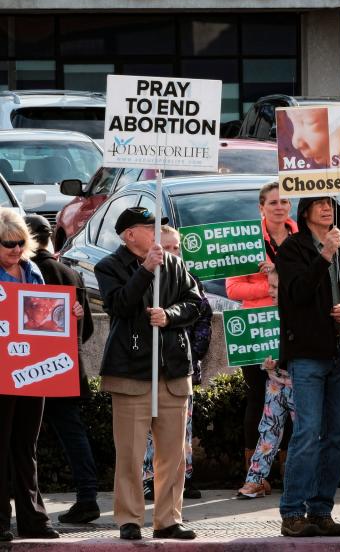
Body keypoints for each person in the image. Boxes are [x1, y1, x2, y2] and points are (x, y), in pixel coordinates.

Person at [94, 207, 202, 541]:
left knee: (173, 452)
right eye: (148, 227)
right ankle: (129, 518)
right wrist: (145, 270)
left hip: (172, 368)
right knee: (130, 451)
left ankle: (168, 519)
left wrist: (169, 315)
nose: (157, 232)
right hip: (131, 370)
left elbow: (195, 303)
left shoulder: (175, 263)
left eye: (159, 226)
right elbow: (120, 306)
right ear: (129, 234)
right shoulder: (108, 266)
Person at [275, 196, 340, 537]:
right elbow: (296, 294)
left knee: (337, 436)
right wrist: (324, 254)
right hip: (308, 355)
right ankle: (293, 512)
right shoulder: (292, 250)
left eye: (331, 202)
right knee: (308, 433)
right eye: (320, 203)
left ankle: (321, 509)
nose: (327, 208)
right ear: (306, 210)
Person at [25, 215, 99, 525]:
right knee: (72, 434)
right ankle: (87, 497)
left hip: (25, 367)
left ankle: (28, 502)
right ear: (51, 238)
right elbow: (86, 330)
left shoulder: (20, 273)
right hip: (63, 367)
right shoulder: (70, 273)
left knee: (23, 440)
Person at [227, 182, 297, 484]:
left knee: (293, 396)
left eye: (284, 202)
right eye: (273, 203)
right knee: (258, 396)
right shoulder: (247, 238)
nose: (279, 207)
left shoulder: (301, 238)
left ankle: (286, 470)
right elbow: (233, 287)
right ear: (261, 208)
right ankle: (256, 473)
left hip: (292, 326)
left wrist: (284, 284)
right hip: (255, 329)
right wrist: (270, 285)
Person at [0, 209, 59, 540]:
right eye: (8, 243)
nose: (15, 249)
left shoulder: (33, 271)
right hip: (0, 373)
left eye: (20, 242)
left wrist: (70, 312)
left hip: (31, 371)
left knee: (26, 445)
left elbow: (46, 318)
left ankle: (33, 519)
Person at [142, 225, 212, 501]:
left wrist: (194, 355)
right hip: (151, 365)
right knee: (150, 426)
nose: (173, 253)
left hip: (183, 366)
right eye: (166, 247)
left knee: (184, 424)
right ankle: (149, 478)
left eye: (176, 248)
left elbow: (202, 318)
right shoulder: (146, 278)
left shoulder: (189, 278)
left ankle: (184, 477)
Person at [236, 269, 296, 499]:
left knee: (302, 433)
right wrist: (270, 366)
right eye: (268, 286)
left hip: (299, 383)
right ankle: (256, 480)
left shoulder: (302, 314)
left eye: (273, 287)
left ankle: (298, 480)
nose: (268, 291)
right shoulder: (267, 316)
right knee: (267, 430)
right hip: (275, 381)